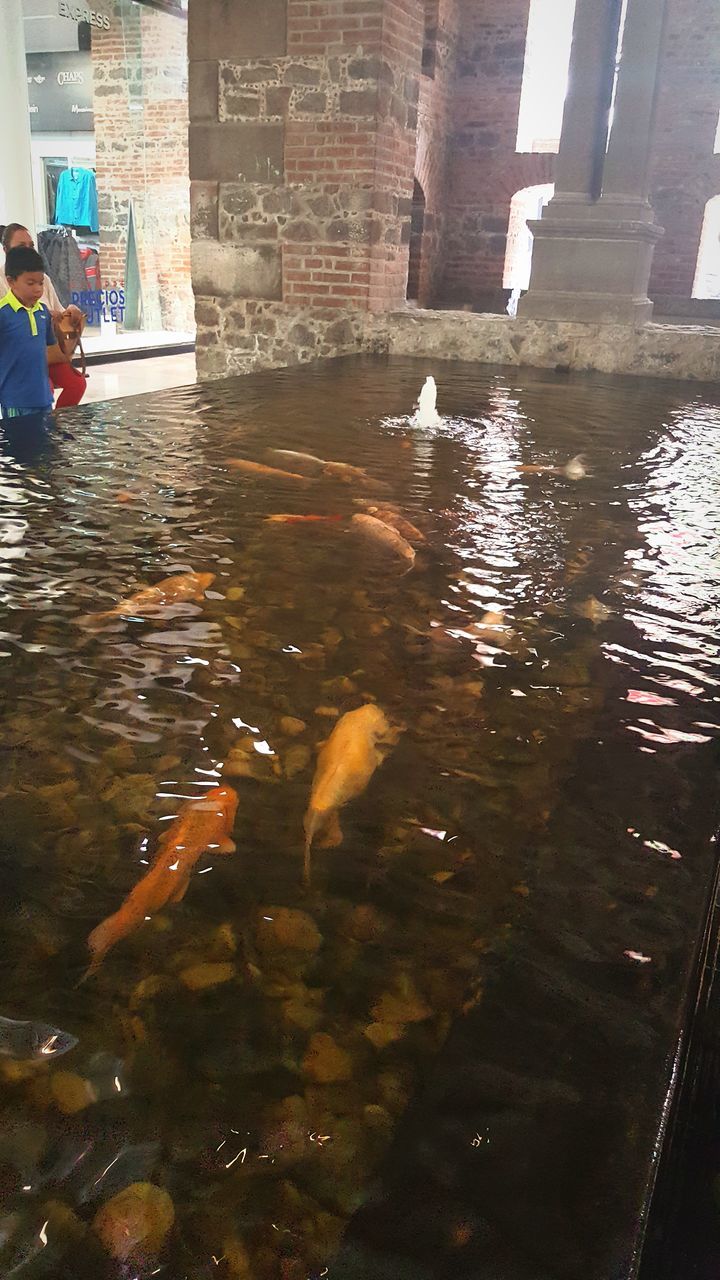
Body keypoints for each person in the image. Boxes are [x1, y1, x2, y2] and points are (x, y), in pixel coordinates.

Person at [0, 224, 87, 408]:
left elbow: (59, 312)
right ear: (6, 250)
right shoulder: (5, 306)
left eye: (31, 246)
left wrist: (69, 313)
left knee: (76, 383)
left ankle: (57, 425)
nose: (37, 288)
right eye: (21, 246)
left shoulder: (43, 280)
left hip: (45, 355)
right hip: (20, 369)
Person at [0, 246, 66, 419]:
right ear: (11, 281)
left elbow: (50, 350)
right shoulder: (3, 314)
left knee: (44, 445)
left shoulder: (43, 312)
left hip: (43, 398)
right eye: (30, 283)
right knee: (19, 444)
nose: (38, 289)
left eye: (41, 283)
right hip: (15, 401)